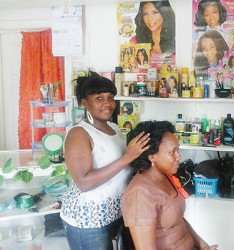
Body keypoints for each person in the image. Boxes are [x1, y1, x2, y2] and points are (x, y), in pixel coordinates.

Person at [60, 71, 150, 250]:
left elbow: (122, 168)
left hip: (114, 212)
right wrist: (128, 157)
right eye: (99, 98)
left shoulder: (115, 128)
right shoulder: (79, 133)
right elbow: (84, 182)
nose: (107, 104)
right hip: (87, 219)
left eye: (110, 97)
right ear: (85, 103)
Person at [121, 120, 218, 250]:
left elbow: (178, 220)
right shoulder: (140, 194)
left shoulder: (166, 176)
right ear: (151, 157)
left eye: (178, 150)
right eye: (172, 152)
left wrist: (204, 246)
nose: (179, 157)